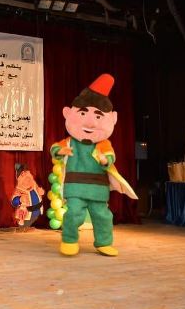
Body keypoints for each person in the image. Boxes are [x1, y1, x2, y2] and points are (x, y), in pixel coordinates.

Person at [51, 73, 137, 257]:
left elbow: (110, 156)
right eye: (83, 113)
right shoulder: (70, 142)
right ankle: (69, 240)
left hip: (98, 188)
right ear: (68, 113)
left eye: (98, 117)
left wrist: (106, 160)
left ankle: (104, 243)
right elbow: (55, 148)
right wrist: (60, 151)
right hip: (75, 187)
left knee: (102, 216)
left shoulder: (103, 144)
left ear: (112, 119)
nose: (90, 123)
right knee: (74, 213)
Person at [10, 163, 44, 231]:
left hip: (37, 209)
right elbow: (14, 201)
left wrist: (40, 191)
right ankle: (23, 227)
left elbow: (38, 189)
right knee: (25, 220)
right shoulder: (19, 189)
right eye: (24, 175)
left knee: (34, 218)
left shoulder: (33, 184)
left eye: (28, 174)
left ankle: (27, 227)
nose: (27, 178)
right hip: (27, 212)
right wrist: (19, 199)